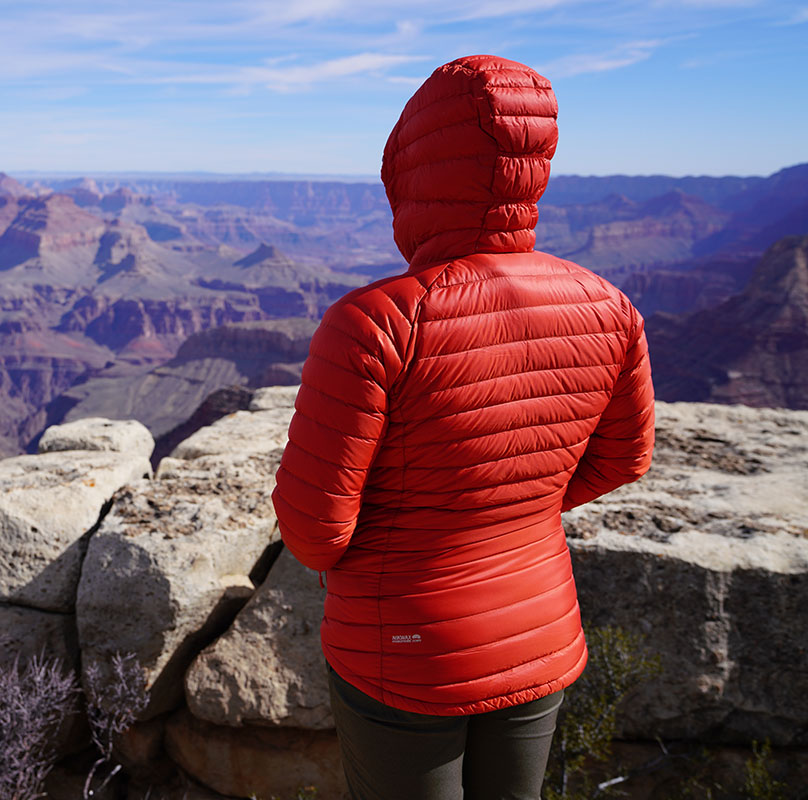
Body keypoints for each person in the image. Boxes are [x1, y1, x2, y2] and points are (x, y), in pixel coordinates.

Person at [271, 54, 655, 800]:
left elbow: (314, 530)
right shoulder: (610, 306)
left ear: (413, 172)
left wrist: (433, 527)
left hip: (404, 646)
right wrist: (514, 510)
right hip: (539, 633)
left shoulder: (376, 321)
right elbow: (624, 460)